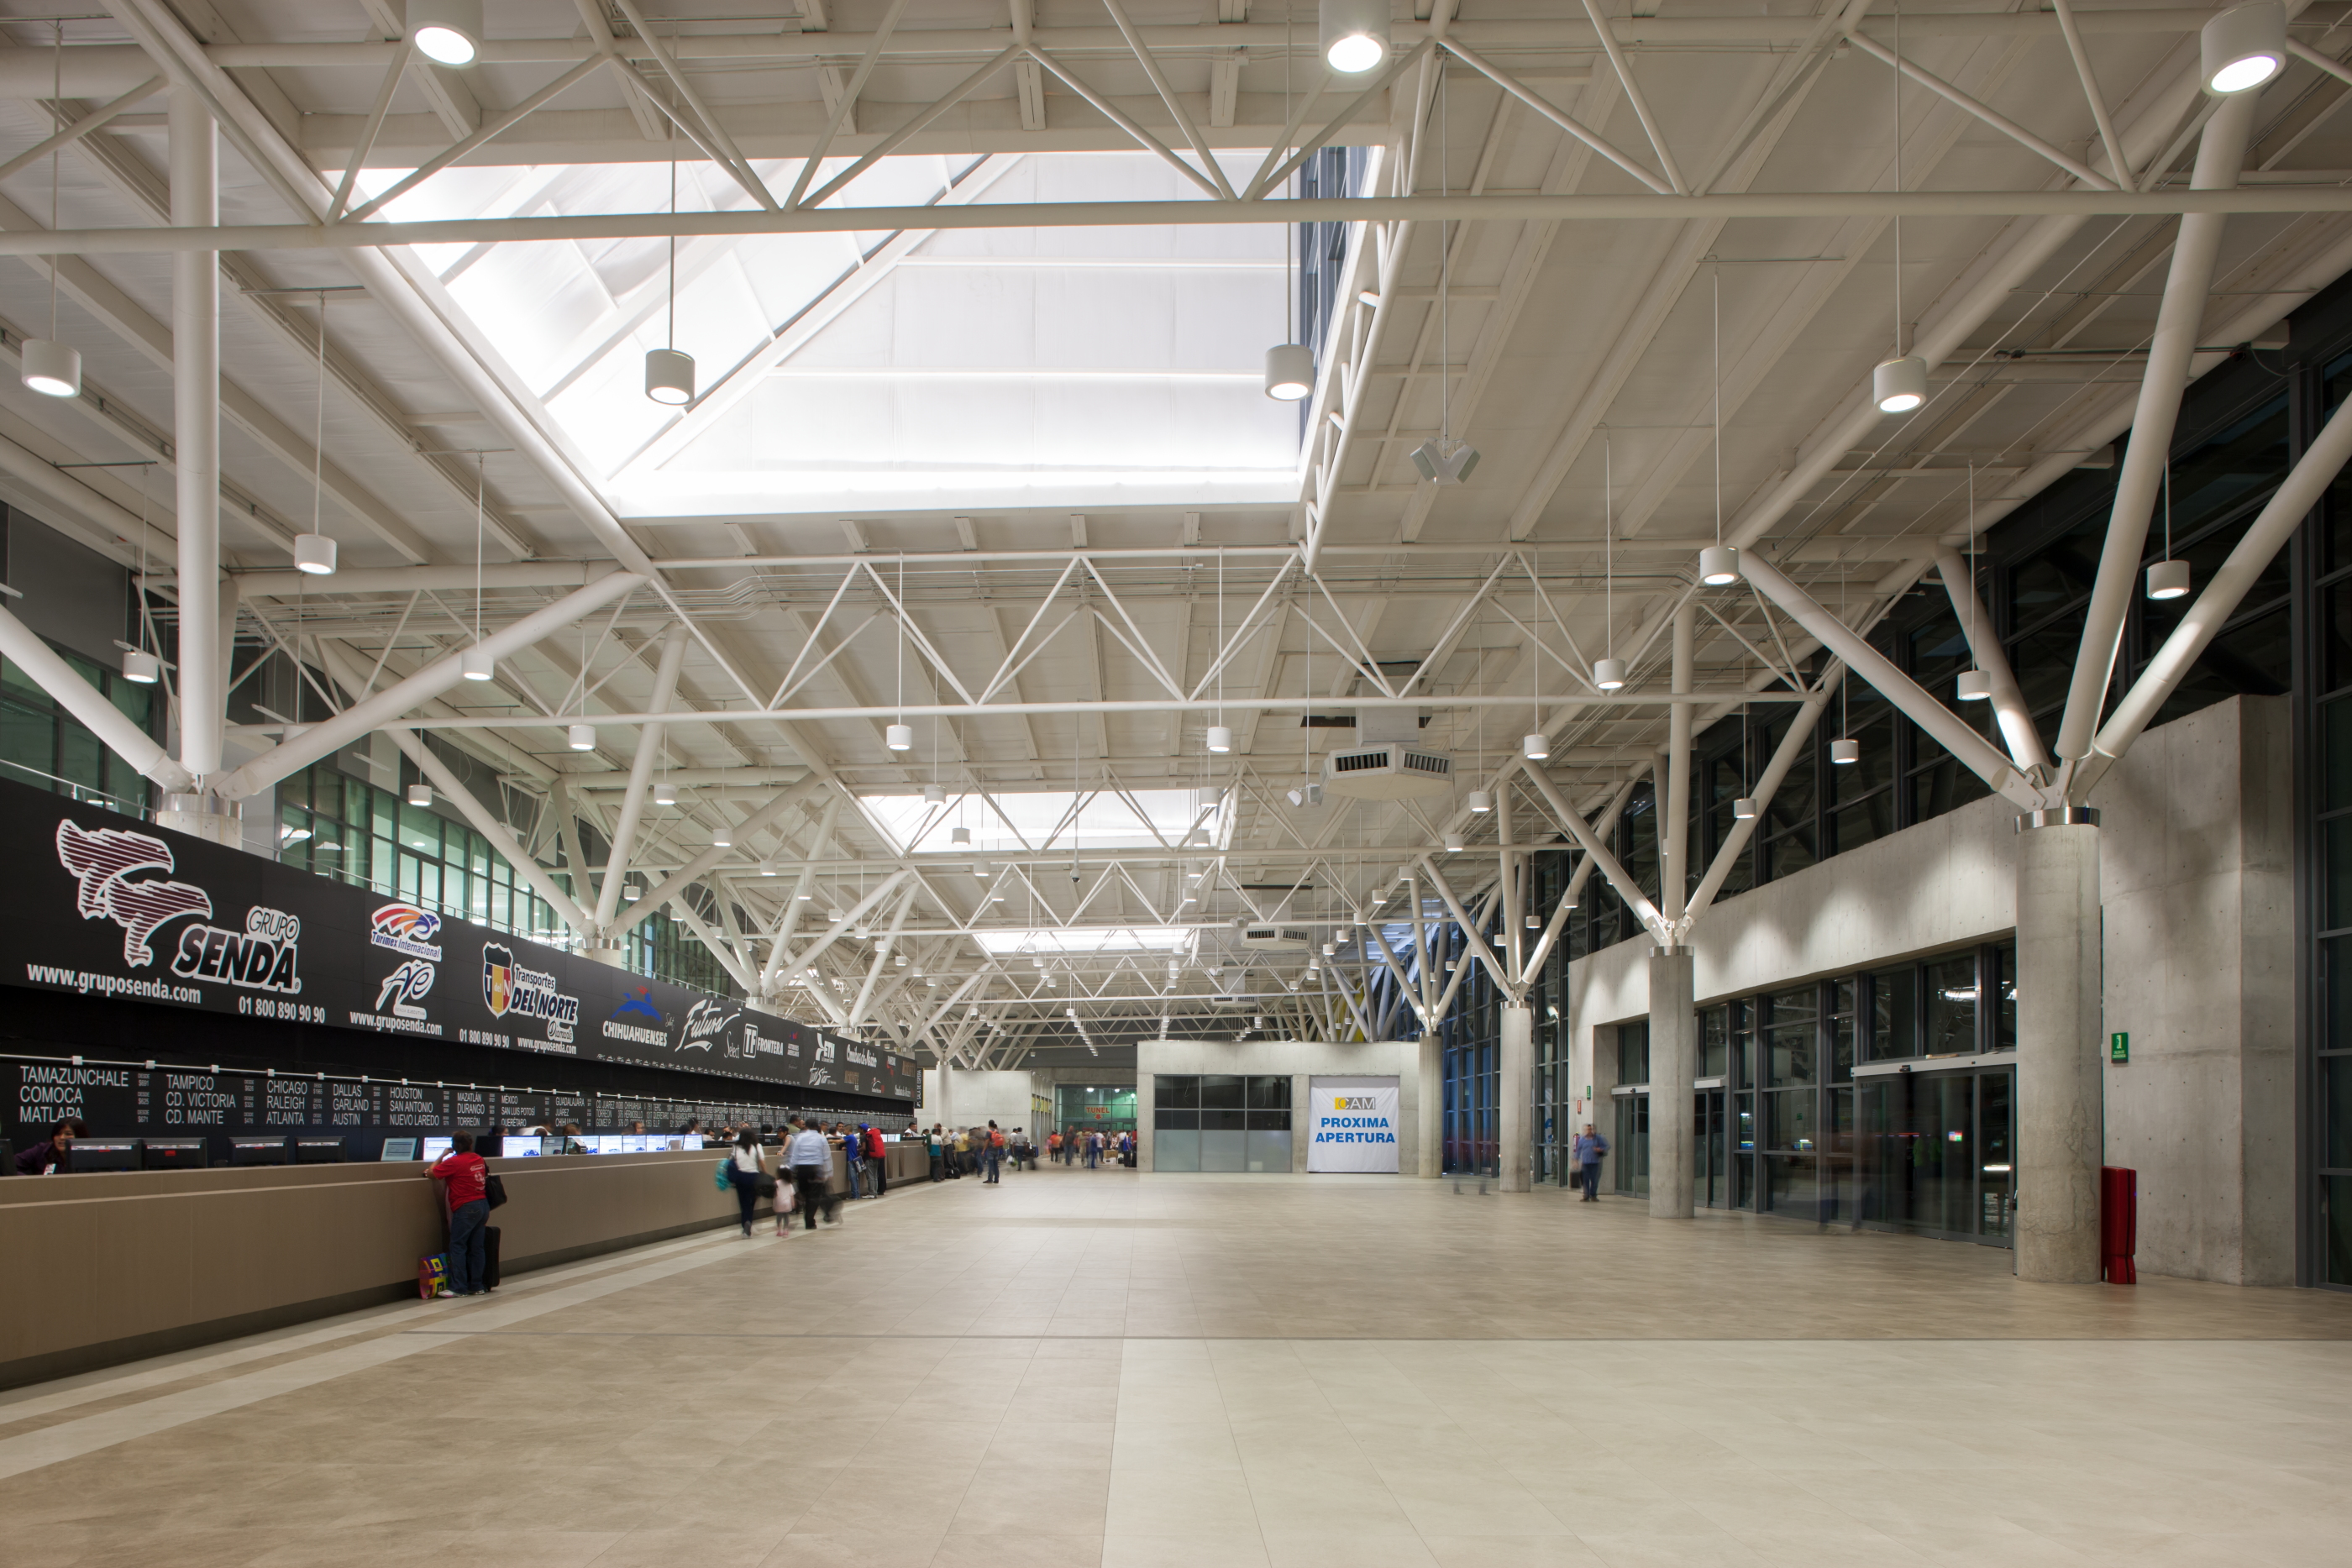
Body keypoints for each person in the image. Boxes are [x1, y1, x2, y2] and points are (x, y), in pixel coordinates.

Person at [425, 1133, 491, 1295]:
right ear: (470, 1144)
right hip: (483, 1205)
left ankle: (458, 1287)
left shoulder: (454, 1162)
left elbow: (431, 1173)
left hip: (465, 1207)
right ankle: (476, 1286)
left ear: (455, 1146)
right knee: (477, 1248)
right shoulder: (478, 1158)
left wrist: (442, 1155)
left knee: (458, 1246)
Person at [782, 1117, 842, 1230]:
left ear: (807, 1126)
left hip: (802, 1171)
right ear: (816, 1126)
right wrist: (829, 1172)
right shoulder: (821, 1139)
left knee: (805, 1194)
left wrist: (790, 1169)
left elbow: (795, 1155)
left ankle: (806, 1214)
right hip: (815, 1170)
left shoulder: (800, 1137)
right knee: (813, 1197)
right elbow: (826, 1157)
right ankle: (809, 1221)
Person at [726, 1128, 766, 1237]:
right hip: (754, 1177)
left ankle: (745, 1226)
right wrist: (765, 1174)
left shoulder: (735, 1147)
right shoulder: (757, 1146)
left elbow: (730, 1161)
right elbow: (762, 1162)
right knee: (751, 1203)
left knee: (743, 1203)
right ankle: (749, 1221)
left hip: (740, 1177)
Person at [13, 1116, 86, 1174]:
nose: (62, 1138)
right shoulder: (42, 1150)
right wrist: (29, 1182)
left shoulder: (88, 1156)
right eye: (58, 1134)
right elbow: (9, 1166)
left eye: (68, 1134)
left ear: (79, 1136)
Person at [1572, 1124, 1609, 1202]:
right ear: (1584, 1130)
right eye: (1587, 1129)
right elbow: (1578, 1150)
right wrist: (1576, 1161)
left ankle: (1593, 1195)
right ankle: (1586, 1195)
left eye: (1591, 1129)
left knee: (1594, 1180)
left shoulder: (1598, 1138)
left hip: (1595, 1163)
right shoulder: (1582, 1140)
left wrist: (1600, 1149)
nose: (1589, 1131)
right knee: (1585, 1180)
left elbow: (1606, 1146)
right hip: (1585, 1163)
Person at [863, 1124, 890, 1197]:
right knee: (875, 1176)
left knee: (870, 1176)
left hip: (870, 1157)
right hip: (878, 1156)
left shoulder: (866, 1136)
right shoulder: (875, 1136)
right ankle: (876, 1191)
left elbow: (864, 1148)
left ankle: (871, 1192)